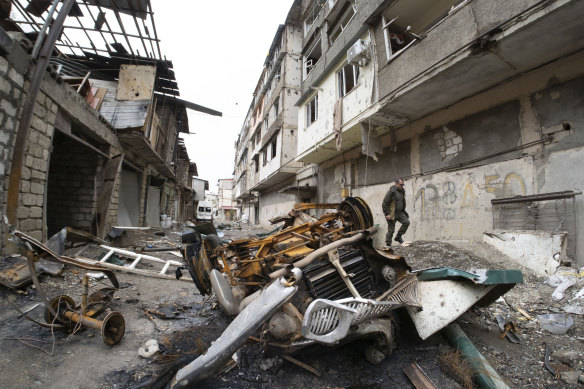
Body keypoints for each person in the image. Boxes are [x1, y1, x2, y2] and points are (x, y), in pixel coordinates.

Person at [382, 178, 409, 246]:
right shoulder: (392, 192)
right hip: (392, 213)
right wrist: (387, 214)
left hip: (400, 213)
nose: (402, 186)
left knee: (406, 222)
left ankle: (398, 236)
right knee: (391, 230)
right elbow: (385, 203)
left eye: (403, 185)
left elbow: (402, 202)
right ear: (396, 184)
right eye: (401, 184)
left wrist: (403, 211)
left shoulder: (402, 191)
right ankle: (388, 245)